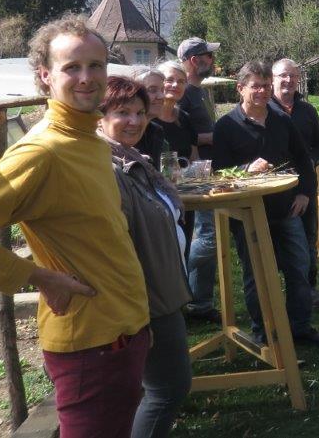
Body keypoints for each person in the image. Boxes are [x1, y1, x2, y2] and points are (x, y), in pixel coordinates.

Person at [0, 15, 149, 438]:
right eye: (72, 67)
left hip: (123, 331)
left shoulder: (89, 140)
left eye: (96, 65)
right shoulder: (42, 152)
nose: (87, 77)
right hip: (91, 345)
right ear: (45, 75)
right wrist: (40, 278)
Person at [98, 77, 192, 438]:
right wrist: (139, 311)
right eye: (123, 112)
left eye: (140, 112)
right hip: (145, 299)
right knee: (168, 389)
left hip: (160, 292)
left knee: (157, 389)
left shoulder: (133, 160)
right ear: (100, 117)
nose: (135, 121)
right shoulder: (108, 170)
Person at [212, 61, 319, 346]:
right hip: (248, 214)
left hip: (287, 209)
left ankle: (299, 328)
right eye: (256, 86)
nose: (263, 92)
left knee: (299, 268)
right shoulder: (226, 126)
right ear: (241, 88)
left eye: (266, 86)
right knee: (257, 275)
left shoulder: (282, 121)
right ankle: (263, 334)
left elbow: (303, 160)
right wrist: (245, 170)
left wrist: (304, 193)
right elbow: (217, 173)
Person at [270, 58, 319, 308]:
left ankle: (309, 288)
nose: (289, 80)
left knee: (308, 237)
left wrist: (310, 161)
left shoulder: (307, 110)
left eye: (293, 76)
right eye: (283, 75)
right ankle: (275, 290)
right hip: (273, 187)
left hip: (305, 184)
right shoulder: (265, 109)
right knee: (274, 240)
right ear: (273, 79)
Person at [177, 37, 221, 324]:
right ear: (195, 61)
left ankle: (199, 303)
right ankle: (183, 293)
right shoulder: (182, 93)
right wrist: (219, 136)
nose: (213, 61)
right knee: (208, 237)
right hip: (193, 175)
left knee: (206, 235)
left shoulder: (199, 91)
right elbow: (182, 136)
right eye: (208, 56)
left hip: (207, 171)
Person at [155, 60, 199, 163]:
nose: (175, 85)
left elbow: (194, 159)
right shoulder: (147, 119)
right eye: (169, 80)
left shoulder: (185, 119)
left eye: (181, 81)